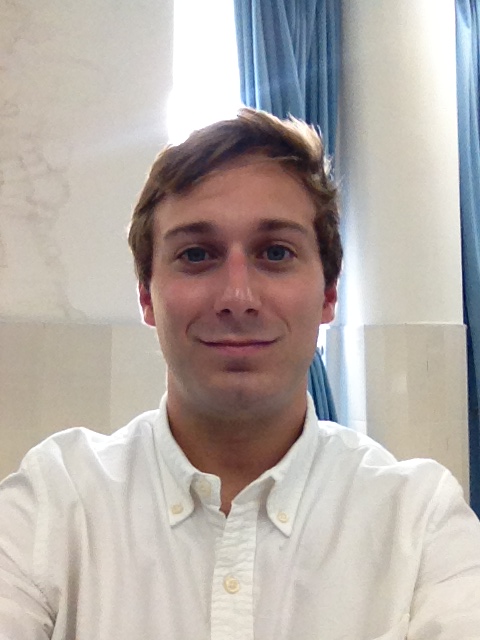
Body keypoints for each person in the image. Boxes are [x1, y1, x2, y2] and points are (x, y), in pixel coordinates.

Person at [0, 108, 479, 640]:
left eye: (275, 253)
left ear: (328, 293)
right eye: (196, 254)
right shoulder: (55, 502)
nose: (237, 296)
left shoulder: (419, 523)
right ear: (146, 296)